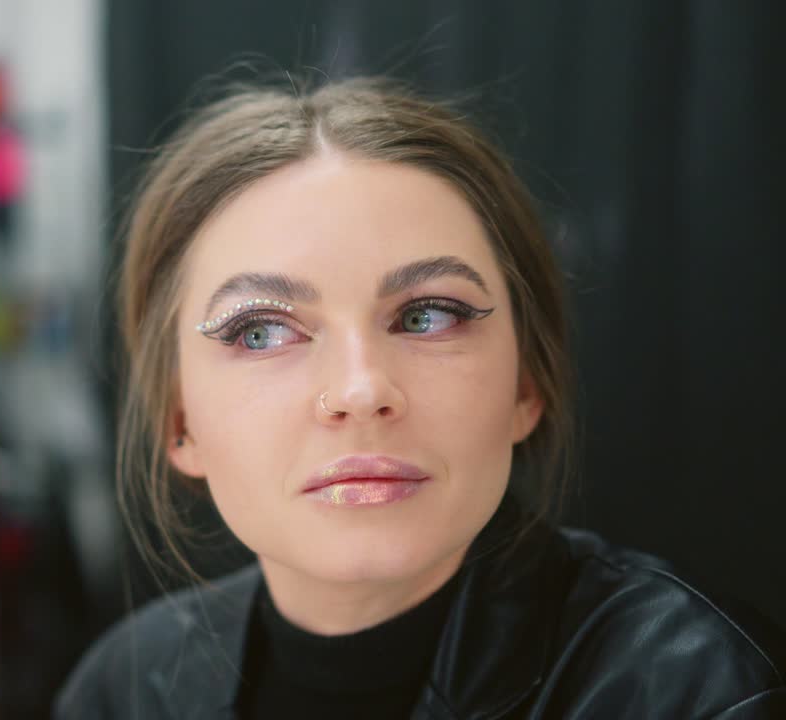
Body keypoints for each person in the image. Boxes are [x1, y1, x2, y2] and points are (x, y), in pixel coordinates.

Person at [56, 77, 786, 718]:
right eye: (259, 333)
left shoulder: (698, 691)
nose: (361, 389)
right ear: (180, 421)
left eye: (427, 315)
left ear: (526, 385)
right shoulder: (123, 691)